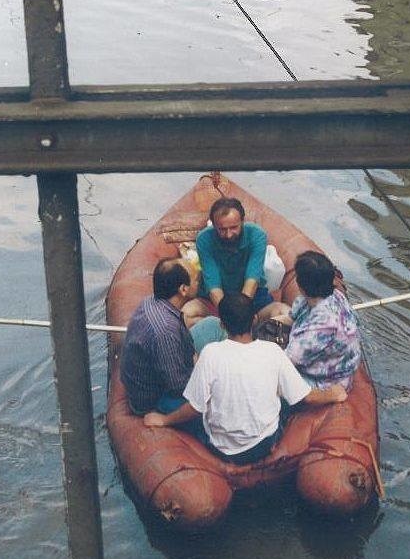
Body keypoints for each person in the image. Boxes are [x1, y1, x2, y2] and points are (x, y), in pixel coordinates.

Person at [144, 293, 347, 465]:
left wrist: (164, 420)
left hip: (222, 448)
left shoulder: (210, 354)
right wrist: (334, 394)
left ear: (222, 325)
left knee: (165, 402)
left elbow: (195, 407)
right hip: (264, 444)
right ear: (255, 320)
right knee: (284, 396)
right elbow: (307, 397)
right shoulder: (273, 351)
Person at [120, 257, 223, 417]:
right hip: (159, 397)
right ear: (183, 289)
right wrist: (210, 376)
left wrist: (196, 359)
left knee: (213, 325)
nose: (199, 283)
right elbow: (178, 386)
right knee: (221, 399)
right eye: (196, 280)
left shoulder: (153, 301)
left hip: (172, 366)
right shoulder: (166, 331)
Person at [259, 251, 361, 391]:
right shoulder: (328, 295)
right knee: (276, 309)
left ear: (301, 286)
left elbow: (285, 363)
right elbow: (291, 317)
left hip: (324, 381)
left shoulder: (321, 327)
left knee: (260, 384)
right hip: (315, 357)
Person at [183, 197, 273, 326]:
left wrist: (241, 314)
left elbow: (252, 280)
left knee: (281, 312)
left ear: (242, 221)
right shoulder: (204, 239)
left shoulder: (257, 235)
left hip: (251, 298)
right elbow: (213, 285)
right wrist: (230, 317)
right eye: (222, 229)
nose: (229, 234)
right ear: (214, 226)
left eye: (234, 228)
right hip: (215, 300)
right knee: (186, 315)